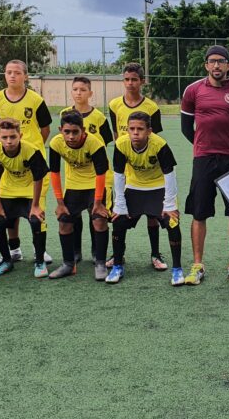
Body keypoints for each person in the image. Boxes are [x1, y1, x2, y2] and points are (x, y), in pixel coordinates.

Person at [180, 45, 229, 285]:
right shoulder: (192, 91)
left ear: (228, 65)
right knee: (199, 213)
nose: (216, 65)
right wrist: (202, 144)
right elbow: (185, 127)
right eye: (212, 61)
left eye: (221, 61)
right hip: (203, 159)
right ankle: (197, 265)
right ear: (206, 65)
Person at [109, 111, 185, 286]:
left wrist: (170, 204)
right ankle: (118, 266)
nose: (135, 133)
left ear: (149, 131)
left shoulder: (159, 145)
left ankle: (177, 269)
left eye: (140, 129)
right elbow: (119, 175)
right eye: (132, 129)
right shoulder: (121, 144)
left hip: (158, 187)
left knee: (172, 221)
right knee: (118, 220)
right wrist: (119, 204)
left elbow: (170, 174)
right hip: (134, 187)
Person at [0, 59, 52, 265]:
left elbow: (45, 130)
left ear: (25, 76)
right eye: (8, 72)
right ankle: (14, 250)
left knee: (36, 207)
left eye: (17, 72)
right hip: (9, 161)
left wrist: (30, 150)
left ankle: (39, 251)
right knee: (10, 209)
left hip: (32, 161)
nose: (12, 76)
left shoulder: (35, 100)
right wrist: (8, 146)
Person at [107, 63, 166, 270]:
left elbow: (156, 138)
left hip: (148, 170)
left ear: (142, 81)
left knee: (153, 216)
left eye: (134, 79)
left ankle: (155, 254)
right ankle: (117, 255)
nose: (130, 83)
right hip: (127, 167)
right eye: (126, 79)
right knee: (121, 213)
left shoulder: (151, 107)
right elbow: (116, 134)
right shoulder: (114, 104)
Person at [48, 111, 110, 280]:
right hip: (74, 186)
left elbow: (101, 174)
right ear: (61, 129)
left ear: (83, 130)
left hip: (94, 184)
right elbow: (54, 173)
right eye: (66, 132)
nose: (71, 136)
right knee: (64, 222)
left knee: (99, 220)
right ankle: (68, 264)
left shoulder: (95, 144)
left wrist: (98, 203)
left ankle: (100, 263)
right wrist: (60, 203)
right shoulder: (55, 143)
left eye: (75, 132)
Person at [59, 76, 113, 263]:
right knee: (73, 215)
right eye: (75, 89)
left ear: (90, 93)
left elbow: (105, 142)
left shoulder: (98, 117)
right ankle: (75, 250)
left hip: (95, 175)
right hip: (73, 176)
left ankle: (95, 250)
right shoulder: (65, 114)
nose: (78, 93)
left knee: (95, 214)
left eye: (82, 89)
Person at [0, 118, 49, 278]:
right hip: (9, 190)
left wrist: (35, 205)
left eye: (13, 137)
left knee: (37, 220)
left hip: (30, 191)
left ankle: (40, 261)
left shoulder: (31, 150)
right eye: (5, 137)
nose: (9, 141)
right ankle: (7, 261)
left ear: (20, 135)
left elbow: (38, 178)